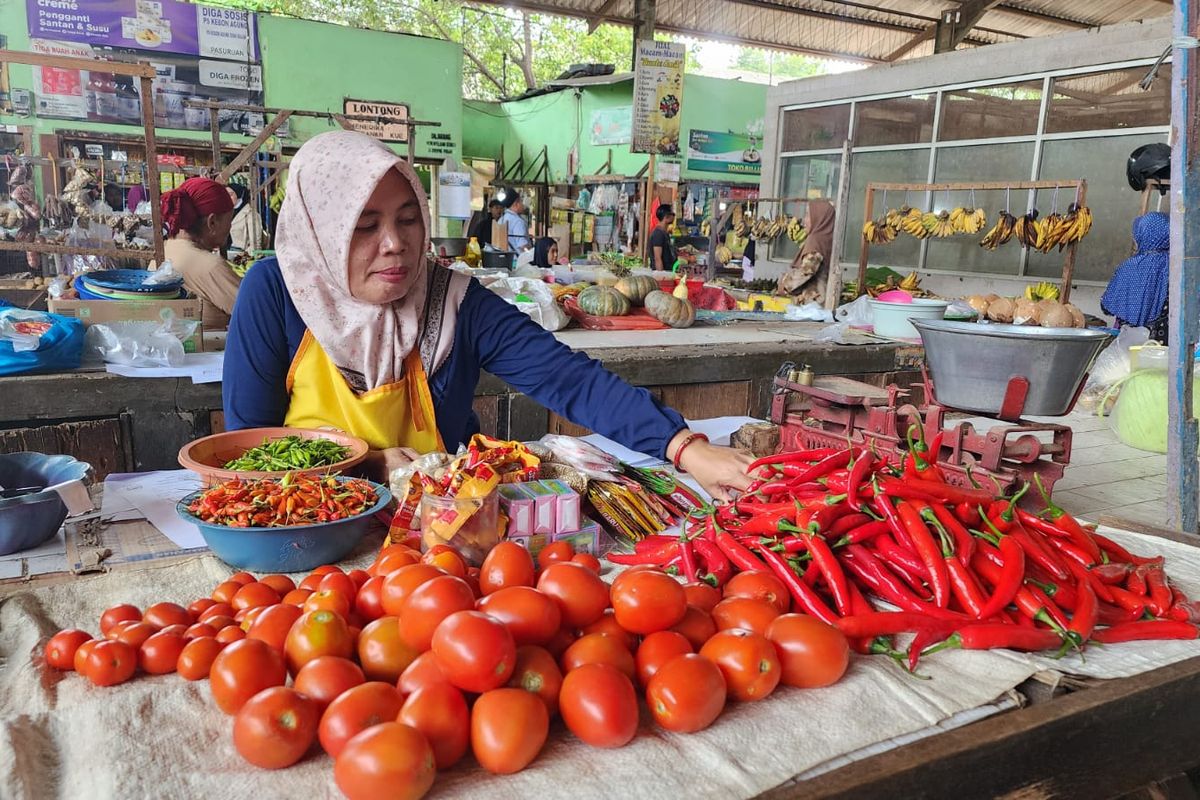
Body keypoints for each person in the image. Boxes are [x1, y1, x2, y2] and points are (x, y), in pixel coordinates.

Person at [223, 131, 753, 499]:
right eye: (364, 227)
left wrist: (685, 448)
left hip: (442, 527)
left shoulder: (454, 300)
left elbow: (567, 378)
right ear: (320, 231)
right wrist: (364, 465)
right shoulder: (276, 294)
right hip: (304, 527)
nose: (395, 244)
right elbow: (247, 446)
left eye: (408, 220)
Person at [161, 177, 240, 330]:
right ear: (212, 222)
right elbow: (260, 312)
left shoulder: (166, 248)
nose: (230, 227)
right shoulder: (210, 266)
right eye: (229, 220)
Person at [1102, 211, 1170, 341]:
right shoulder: (1179, 268)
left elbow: (1106, 307)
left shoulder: (1130, 267)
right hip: (1168, 344)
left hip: (1131, 343)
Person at [777, 199, 835, 302]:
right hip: (822, 299)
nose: (804, 221)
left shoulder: (816, 240)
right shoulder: (826, 238)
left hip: (813, 302)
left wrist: (784, 285)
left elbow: (806, 271)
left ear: (818, 218)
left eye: (808, 215)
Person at [226, 182, 266, 254]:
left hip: (243, 255)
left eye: (230, 195)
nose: (227, 198)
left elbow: (256, 246)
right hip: (231, 253)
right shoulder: (228, 213)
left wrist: (243, 256)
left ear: (239, 195)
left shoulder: (251, 215)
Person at [649, 206, 678, 271]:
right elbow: (657, 258)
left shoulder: (664, 233)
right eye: (673, 214)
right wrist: (661, 275)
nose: (674, 217)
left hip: (668, 271)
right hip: (663, 273)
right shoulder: (658, 234)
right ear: (666, 217)